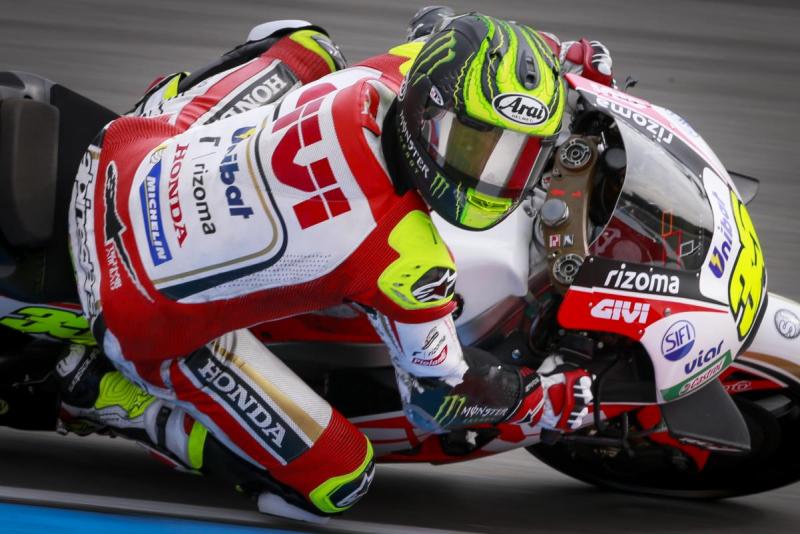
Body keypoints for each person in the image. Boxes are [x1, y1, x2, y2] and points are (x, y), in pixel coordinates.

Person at [61, 7, 613, 523]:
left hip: (122, 151)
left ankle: (167, 104)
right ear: (429, 111)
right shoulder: (406, 256)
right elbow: (440, 398)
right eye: (474, 146)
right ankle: (111, 399)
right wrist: (545, 402)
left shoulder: (401, 69)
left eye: (516, 153)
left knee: (305, 45)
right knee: (338, 480)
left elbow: (460, 35)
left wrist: (561, 58)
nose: (492, 174)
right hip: (133, 306)